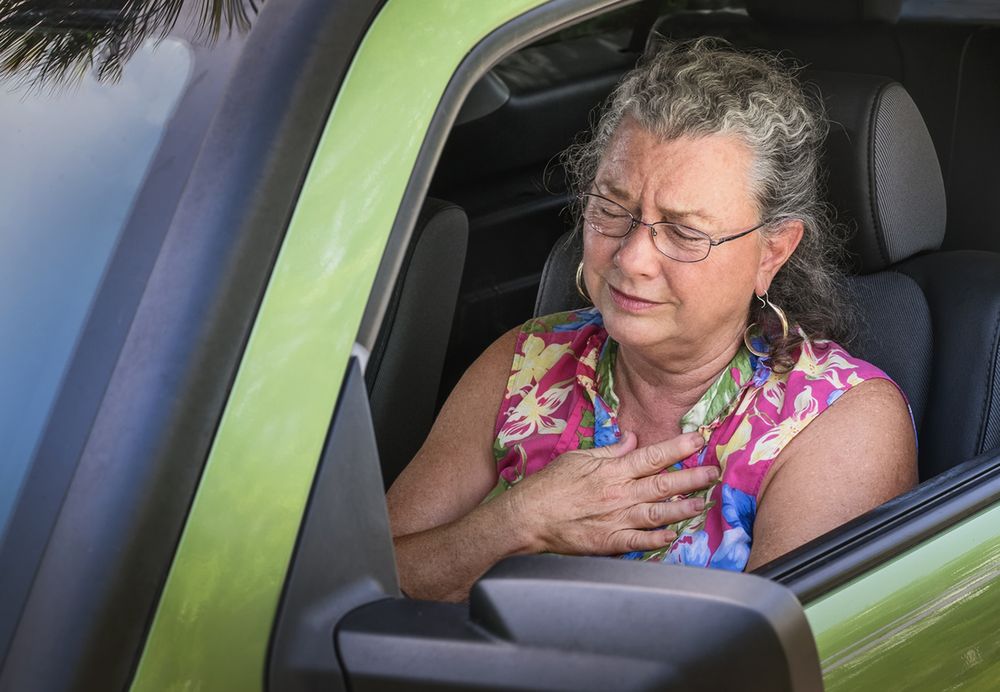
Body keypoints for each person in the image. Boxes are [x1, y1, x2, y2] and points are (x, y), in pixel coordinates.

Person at [387, 38, 917, 602]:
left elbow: (772, 650)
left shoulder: (836, 423)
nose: (632, 258)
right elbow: (358, 581)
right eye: (611, 209)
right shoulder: (525, 361)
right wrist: (517, 522)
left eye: (685, 232)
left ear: (773, 252)